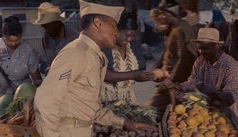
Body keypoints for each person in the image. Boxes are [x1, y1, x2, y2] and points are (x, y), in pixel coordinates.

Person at [34, 1, 157, 137]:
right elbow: (45, 101)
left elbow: (93, 109)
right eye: (114, 26)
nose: (116, 33)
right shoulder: (77, 53)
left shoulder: (97, 57)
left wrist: (125, 123)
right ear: (98, 23)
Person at [0, 16, 42, 110]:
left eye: (16, 40)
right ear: (4, 36)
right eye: (9, 41)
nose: (13, 44)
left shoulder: (27, 50)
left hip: (21, 96)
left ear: (21, 36)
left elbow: (36, 78)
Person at [148, 3, 200, 115]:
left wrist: (171, 80)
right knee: (170, 110)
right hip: (172, 79)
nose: (161, 17)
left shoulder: (180, 30)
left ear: (171, 14)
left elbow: (184, 59)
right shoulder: (176, 28)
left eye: (163, 14)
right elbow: (170, 53)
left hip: (176, 81)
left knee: (158, 109)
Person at [170, 27, 238, 106]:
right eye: (199, 48)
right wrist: (180, 87)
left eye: (205, 49)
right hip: (202, 103)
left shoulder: (230, 65)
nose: (201, 52)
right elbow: (193, 81)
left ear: (216, 46)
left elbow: (232, 95)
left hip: (223, 106)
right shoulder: (200, 61)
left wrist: (212, 97)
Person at [100, 12, 155, 104]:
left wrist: (153, 76)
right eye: (127, 35)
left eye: (133, 36)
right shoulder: (104, 47)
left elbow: (139, 72)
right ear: (115, 30)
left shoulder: (134, 46)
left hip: (129, 101)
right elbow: (102, 74)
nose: (129, 39)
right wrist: (133, 75)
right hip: (107, 101)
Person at [31, 2, 79, 75]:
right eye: (43, 27)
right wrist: (47, 68)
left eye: (47, 26)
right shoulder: (45, 38)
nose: (45, 30)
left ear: (57, 23)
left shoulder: (75, 38)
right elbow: (43, 63)